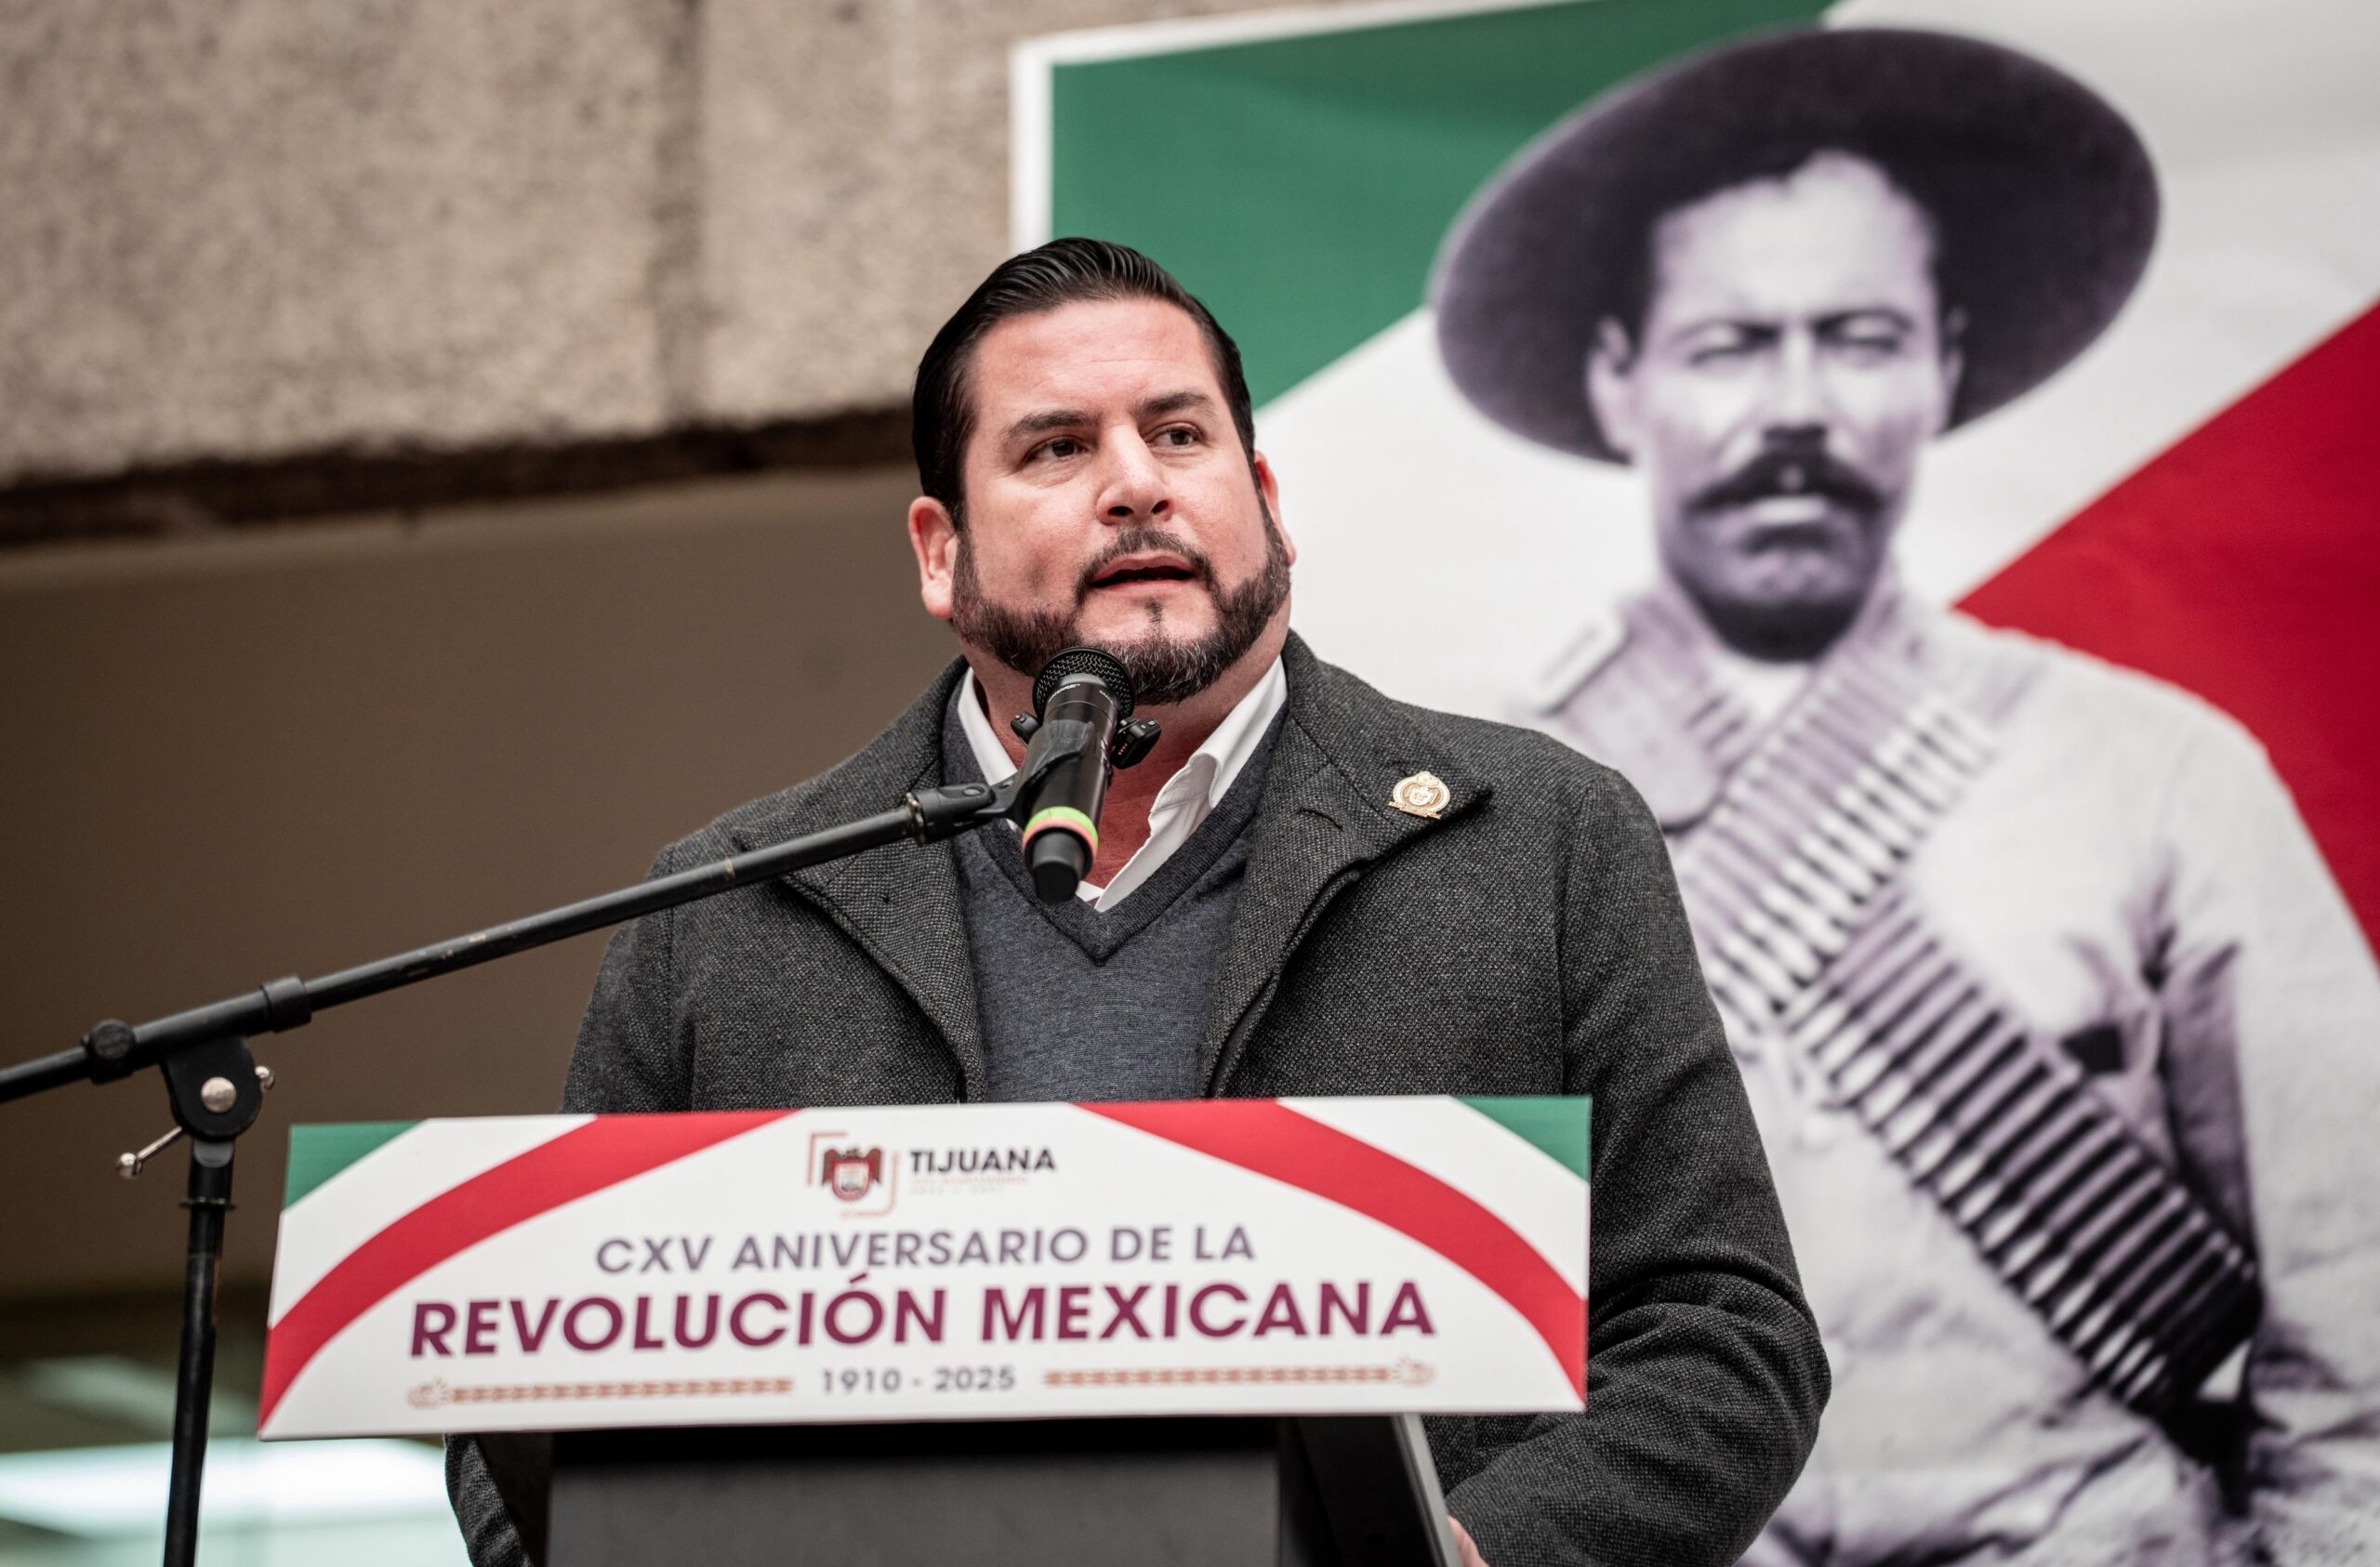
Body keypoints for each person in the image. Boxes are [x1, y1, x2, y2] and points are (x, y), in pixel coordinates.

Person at [443, 238, 1830, 1565]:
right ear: (939, 552)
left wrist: (1472, 1557)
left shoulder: (1538, 838)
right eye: (1056, 448)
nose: (1136, 486)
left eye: (1179, 435)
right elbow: (530, 1394)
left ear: (1266, 499)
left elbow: (1722, 1333)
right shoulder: (730, 908)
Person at [1433, 27, 2380, 1565]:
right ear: (1620, 381)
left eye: (1861, 337)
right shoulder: (1473, 805)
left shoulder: (2162, 777)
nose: (1796, 407)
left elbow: (2359, 1310)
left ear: (1944, 363)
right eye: (1729, 346)